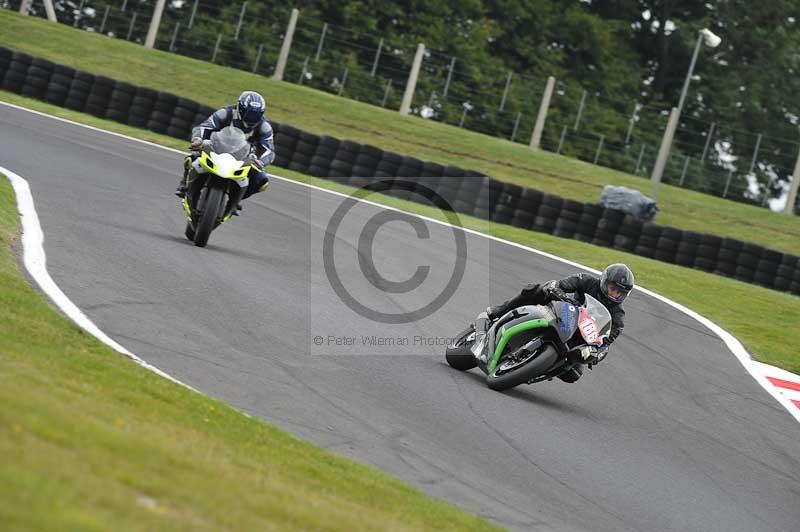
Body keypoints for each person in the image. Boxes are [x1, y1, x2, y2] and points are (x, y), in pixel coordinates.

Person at [483, 263, 634, 382]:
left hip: (578, 338)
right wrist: (556, 290)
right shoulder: (587, 281)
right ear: (605, 281)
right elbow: (561, 285)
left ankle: (534, 368)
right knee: (536, 290)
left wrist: (596, 353)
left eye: (619, 292)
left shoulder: (618, 317)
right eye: (613, 288)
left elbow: (605, 342)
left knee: (574, 374)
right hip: (563, 313)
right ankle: (500, 311)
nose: (614, 294)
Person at [176, 91, 275, 202]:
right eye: (249, 114)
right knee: (193, 157)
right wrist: (198, 139)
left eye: (256, 115)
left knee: (262, 181)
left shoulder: (264, 126)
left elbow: (269, 150)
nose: (252, 118)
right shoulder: (225, 113)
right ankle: (184, 184)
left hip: (244, 156)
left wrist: (261, 162)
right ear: (240, 109)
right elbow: (204, 127)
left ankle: (236, 199)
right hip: (217, 147)